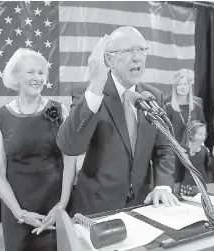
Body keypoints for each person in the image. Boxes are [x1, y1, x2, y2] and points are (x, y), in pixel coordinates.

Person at [57, 26, 180, 216]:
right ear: (109, 59)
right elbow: (70, 146)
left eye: (141, 49)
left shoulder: (153, 96)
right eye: (128, 51)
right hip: (96, 210)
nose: (137, 56)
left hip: (141, 206)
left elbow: (165, 148)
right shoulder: (89, 94)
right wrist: (96, 84)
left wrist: (163, 185)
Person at [0, 48, 75, 251]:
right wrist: (21, 214)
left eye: (41, 73)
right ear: (16, 77)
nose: (37, 78)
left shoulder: (60, 111)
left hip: (56, 205)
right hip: (16, 210)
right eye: (30, 72)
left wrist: (61, 205)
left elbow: (70, 163)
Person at [173, 121, 214, 196]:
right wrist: (175, 189)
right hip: (187, 187)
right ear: (191, 135)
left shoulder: (204, 149)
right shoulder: (182, 149)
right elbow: (178, 171)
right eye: (200, 134)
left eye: (204, 134)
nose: (203, 137)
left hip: (202, 187)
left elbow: (210, 168)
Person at [165, 69, 206, 143]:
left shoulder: (197, 107)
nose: (182, 87)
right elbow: (165, 131)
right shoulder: (169, 107)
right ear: (175, 87)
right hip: (174, 149)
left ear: (189, 87)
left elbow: (202, 127)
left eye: (185, 84)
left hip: (193, 149)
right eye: (179, 84)